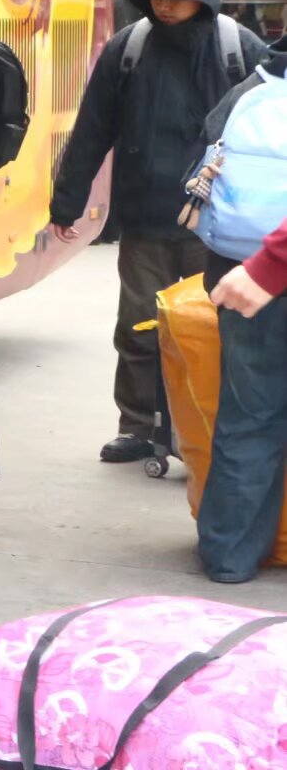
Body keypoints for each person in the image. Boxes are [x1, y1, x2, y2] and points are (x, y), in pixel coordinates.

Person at [49, 0, 270, 464]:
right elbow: (92, 129)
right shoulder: (128, 48)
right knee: (138, 327)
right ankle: (137, 426)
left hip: (218, 225)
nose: (164, 5)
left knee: (213, 330)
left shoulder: (238, 48)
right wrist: (66, 203)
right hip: (145, 219)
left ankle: (209, 427)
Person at [196, 42, 287, 585]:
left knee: (250, 416)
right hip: (264, 268)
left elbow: (205, 159)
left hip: (246, 271)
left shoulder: (252, 89)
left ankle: (230, 555)